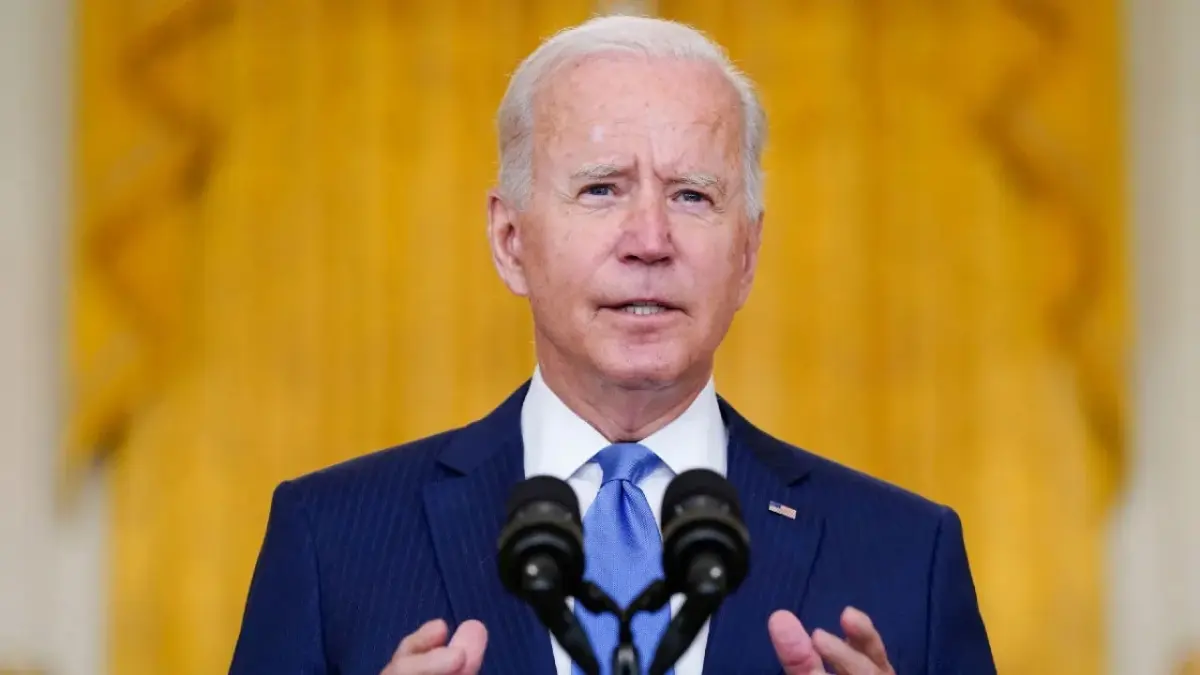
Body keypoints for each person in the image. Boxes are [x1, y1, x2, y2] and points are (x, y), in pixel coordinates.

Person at [229, 14, 995, 675]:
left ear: (748, 254)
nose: (650, 240)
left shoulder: (906, 555)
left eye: (692, 195)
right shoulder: (330, 541)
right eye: (602, 188)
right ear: (508, 238)